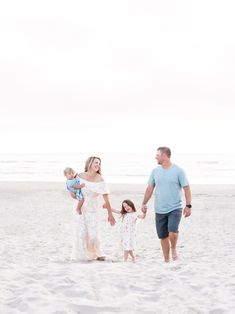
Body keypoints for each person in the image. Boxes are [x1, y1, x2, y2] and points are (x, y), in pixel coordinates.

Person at [141, 147, 192, 263]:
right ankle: (166, 259)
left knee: (173, 231)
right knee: (163, 236)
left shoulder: (179, 171)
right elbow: (150, 188)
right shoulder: (155, 171)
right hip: (159, 209)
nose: (156, 157)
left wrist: (188, 205)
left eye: (157, 155)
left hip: (175, 207)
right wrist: (144, 202)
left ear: (164, 155)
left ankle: (173, 249)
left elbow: (187, 188)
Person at [70, 156, 116, 261]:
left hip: (93, 209)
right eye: (96, 163)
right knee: (81, 233)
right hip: (80, 208)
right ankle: (82, 256)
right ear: (89, 163)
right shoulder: (79, 176)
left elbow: (106, 199)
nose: (98, 165)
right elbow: (73, 193)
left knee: (93, 235)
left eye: (99, 163)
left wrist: (110, 214)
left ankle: (94, 254)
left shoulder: (100, 180)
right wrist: (72, 192)